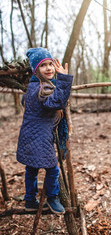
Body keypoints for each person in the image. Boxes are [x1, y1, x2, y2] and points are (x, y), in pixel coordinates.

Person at [16, 47, 73, 215]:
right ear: (36, 69)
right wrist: (63, 79)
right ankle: (53, 198)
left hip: (28, 136)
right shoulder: (43, 89)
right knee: (53, 168)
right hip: (40, 138)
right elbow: (56, 102)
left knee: (31, 170)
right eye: (43, 65)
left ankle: (29, 200)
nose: (48, 68)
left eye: (50, 64)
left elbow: (25, 101)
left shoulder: (33, 86)